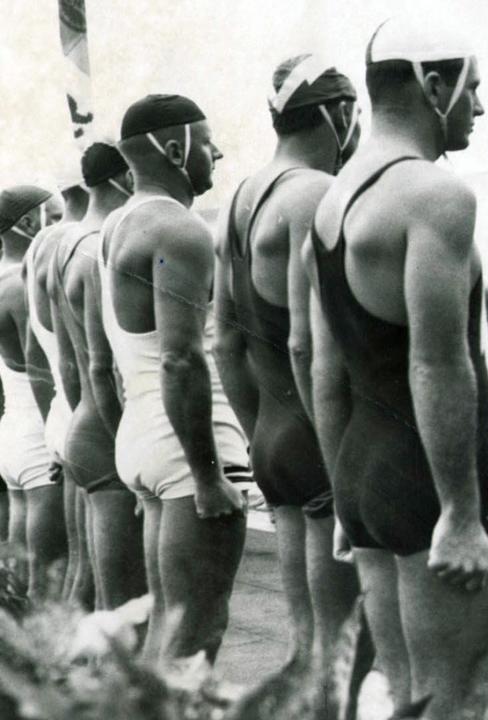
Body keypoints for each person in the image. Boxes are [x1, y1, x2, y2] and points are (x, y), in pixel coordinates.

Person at [307, 20, 488, 717]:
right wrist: (460, 511)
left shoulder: (335, 198)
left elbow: (323, 367)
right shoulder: (434, 195)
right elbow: (439, 361)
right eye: (473, 88)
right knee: (455, 697)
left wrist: (345, 492)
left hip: (368, 467)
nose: (479, 108)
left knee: (404, 697)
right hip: (433, 477)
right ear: (434, 85)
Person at [213, 55, 364, 677]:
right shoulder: (315, 193)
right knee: (347, 650)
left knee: (308, 647)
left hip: (275, 435)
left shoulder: (240, 197)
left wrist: (260, 432)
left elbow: (224, 341)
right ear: (339, 113)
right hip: (320, 436)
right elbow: (308, 345)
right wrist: (336, 455)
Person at [102, 94, 250, 663]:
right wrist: (207, 474)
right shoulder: (178, 228)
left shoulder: (118, 224)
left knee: (166, 628)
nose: (217, 155)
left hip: (144, 435)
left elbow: (113, 356)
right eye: (208, 146)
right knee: (197, 633)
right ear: (175, 148)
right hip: (187, 444)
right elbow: (182, 358)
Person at [50, 141, 146, 610]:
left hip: (82, 427)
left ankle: (61, 684)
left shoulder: (65, 246)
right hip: (108, 436)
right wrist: (123, 441)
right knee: (125, 612)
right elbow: (102, 367)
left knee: (92, 597)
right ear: (124, 177)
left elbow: (68, 365)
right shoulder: (98, 248)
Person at [25, 175, 90, 607]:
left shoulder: (39, 255)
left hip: (51, 421)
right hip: (80, 417)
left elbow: (35, 357)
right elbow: (86, 362)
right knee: (86, 570)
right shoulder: (81, 245)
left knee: (68, 566)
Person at [0, 185, 68, 600]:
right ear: (28, 223)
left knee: (22, 586)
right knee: (49, 584)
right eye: (56, 219)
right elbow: (40, 367)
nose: (63, 229)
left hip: (15, 436)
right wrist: (57, 436)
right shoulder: (24, 282)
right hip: (40, 437)